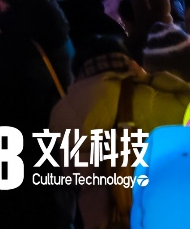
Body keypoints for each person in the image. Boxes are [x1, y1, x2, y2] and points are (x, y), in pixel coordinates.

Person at [49, 34, 190, 229]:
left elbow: (71, 174)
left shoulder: (63, 109)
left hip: (101, 219)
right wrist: (151, 78)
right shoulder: (149, 97)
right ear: (127, 60)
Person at [0, 0, 73, 228]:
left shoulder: (11, 39)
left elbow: (1, 98)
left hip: (17, 144)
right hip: (53, 138)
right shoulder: (55, 27)